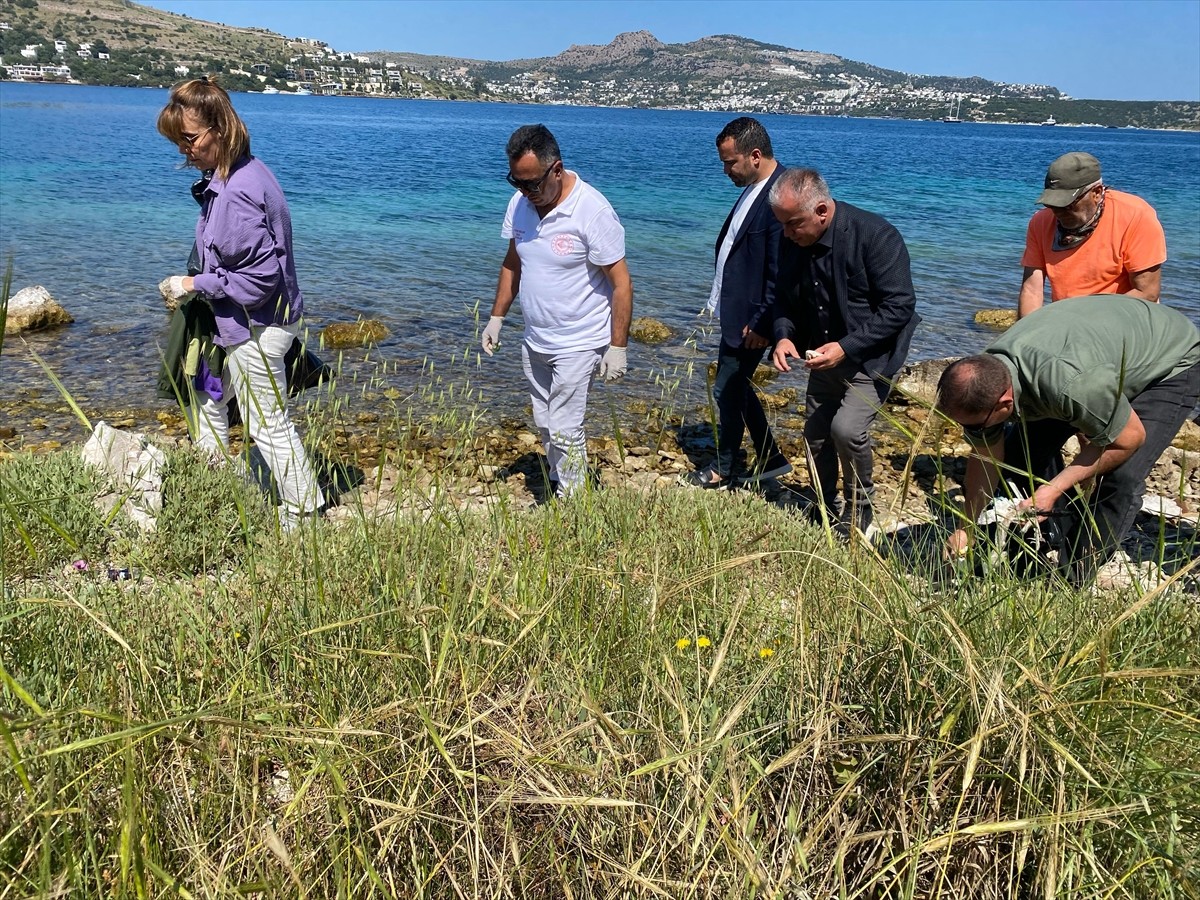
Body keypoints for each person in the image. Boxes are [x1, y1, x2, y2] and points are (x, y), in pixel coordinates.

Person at [937, 295, 1200, 585]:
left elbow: (1128, 440)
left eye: (976, 425)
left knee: (1121, 476)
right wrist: (967, 528)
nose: (969, 430)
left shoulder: (1070, 384)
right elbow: (987, 459)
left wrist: (1055, 487)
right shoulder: (987, 376)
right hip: (1095, 350)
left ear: (1004, 403)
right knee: (1019, 455)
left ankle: (1071, 578)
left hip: (1171, 358)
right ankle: (1049, 539)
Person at [158, 76, 324, 528]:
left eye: (189, 139)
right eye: (179, 142)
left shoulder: (237, 193)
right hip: (240, 325)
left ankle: (304, 513)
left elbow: (258, 281)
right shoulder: (239, 174)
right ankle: (216, 490)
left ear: (221, 128)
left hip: (256, 326)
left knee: (267, 422)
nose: (184, 150)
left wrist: (193, 285)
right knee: (208, 398)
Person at [481, 124, 633, 498]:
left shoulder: (592, 210)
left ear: (557, 170)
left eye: (532, 183)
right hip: (535, 338)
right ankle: (558, 476)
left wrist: (618, 346)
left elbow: (621, 283)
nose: (525, 192)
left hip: (580, 340)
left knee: (566, 425)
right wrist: (497, 317)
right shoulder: (520, 204)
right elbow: (512, 263)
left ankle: (575, 500)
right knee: (544, 421)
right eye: (516, 182)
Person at [769, 168, 920, 536]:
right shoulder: (791, 240)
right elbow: (784, 299)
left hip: (872, 356)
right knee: (816, 435)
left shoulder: (876, 235)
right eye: (783, 225)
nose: (787, 233)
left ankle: (858, 515)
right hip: (822, 354)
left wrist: (846, 347)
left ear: (821, 210)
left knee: (847, 430)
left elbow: (900, 307)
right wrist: (784, 335)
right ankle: (822, 508)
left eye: (794, 224)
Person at [684, 117, 791, 489]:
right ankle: (771, 458)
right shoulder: (756, 186)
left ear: (756, 155)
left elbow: (783, 271)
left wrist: (764, 323)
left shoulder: (781, 196)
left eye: (731, 162)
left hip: (752, 320)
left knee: (727, 389)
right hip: (739, 314)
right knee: (737, 386)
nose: (726, 170)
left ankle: (725, 468)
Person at [1018, 151, 1166, 318]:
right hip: (1068, 320)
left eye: (1066, 204)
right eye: (1052, 203)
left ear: (1096, 193)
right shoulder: (1040, 222)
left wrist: (1086, 322)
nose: (1058, 211)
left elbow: (1147, 293)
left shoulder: (1136, 216)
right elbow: (1031, 290)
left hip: (1124, 318)